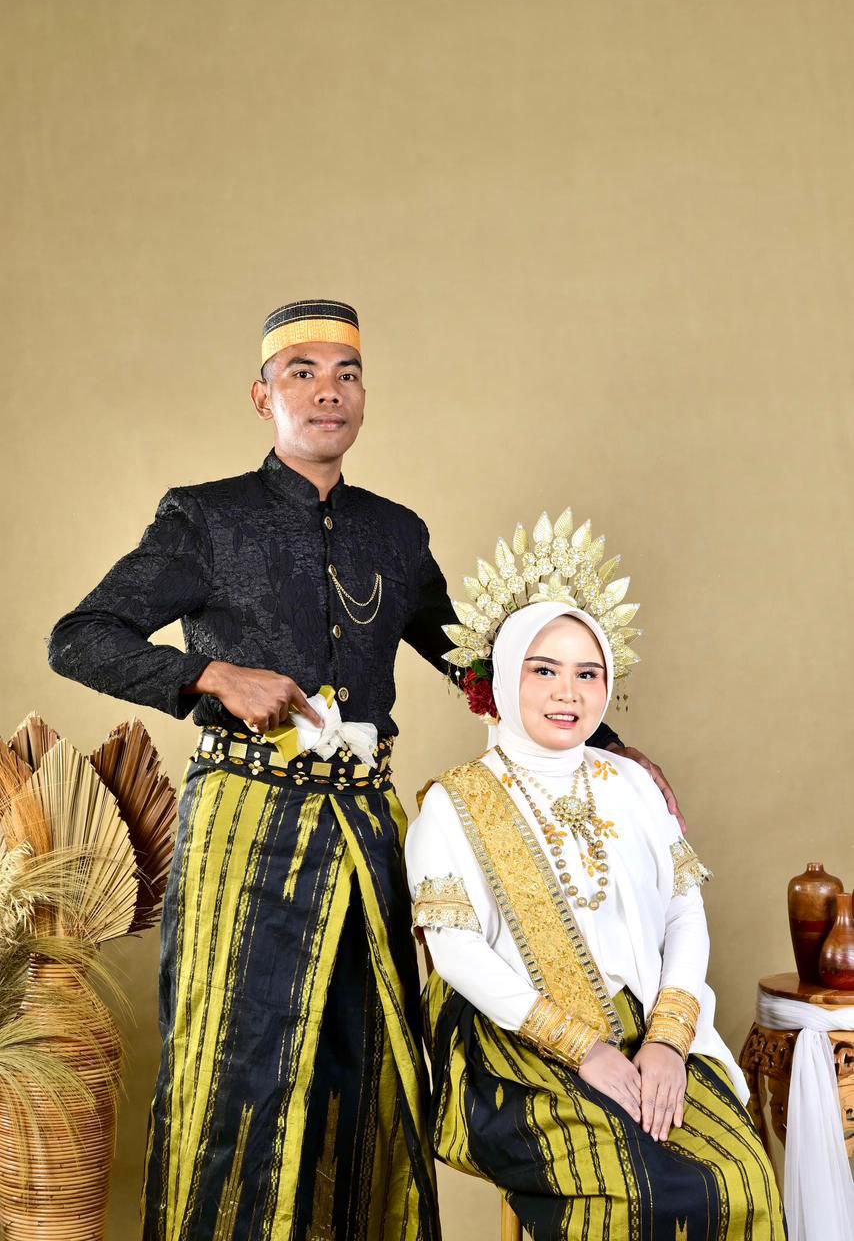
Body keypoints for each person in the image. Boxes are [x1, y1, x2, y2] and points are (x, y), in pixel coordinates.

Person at [48, 302, 675, 1240]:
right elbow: (79, 638)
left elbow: (476, 665)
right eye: (301, 372)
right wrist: (210, 675)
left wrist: (615, 754)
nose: (326, 391)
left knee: (369, 1061)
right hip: (244, 831)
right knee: (239, 1067)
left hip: (366, 831)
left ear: (364, 397)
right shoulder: (206, 517)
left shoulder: (395, 533)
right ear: (262, 397)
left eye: (345, 374)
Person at [405, 513, 785, 1240]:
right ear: (501, 677)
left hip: (650, 1028)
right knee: (637, 1197)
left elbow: (684, 911)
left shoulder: (631, 784)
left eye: (588, 673)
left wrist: (668, 1042)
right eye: (543, 670)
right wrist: (587, 1052)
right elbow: (455, 955)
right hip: (520, 1045)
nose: (567, 693)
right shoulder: (456, 802)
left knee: (742, 1179)